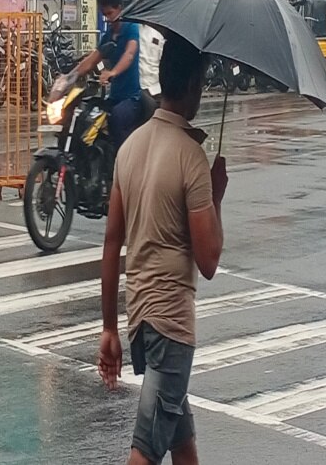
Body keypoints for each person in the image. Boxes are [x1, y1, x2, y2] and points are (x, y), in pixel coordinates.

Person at [99, 35, 227, 465]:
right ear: (193, 84)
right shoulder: (191, 157)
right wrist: (217, 196)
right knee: (146, 449)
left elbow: (111, 244)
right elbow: (208, 260)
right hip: (171, 324)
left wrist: (109, 329)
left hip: (139, 320)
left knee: (180, 436)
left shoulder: (130, 147)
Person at [73, 0, 141, 149]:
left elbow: (130, 54)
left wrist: (113, 72)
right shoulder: (109, 35)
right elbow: (92, 60)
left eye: (110, 14)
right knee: (89, 116)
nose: (108, 19)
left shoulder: (131, 28)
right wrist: (68, 78)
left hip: (132, 97)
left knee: (117, 117)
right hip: (114, 96)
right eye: (105, 16)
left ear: (119, 8)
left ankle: (122, 162)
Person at [133, 0, 164, 100]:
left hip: (156, 91)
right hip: (135, 92)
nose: (139, 1)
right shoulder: (130, 26)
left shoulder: (162, 27)